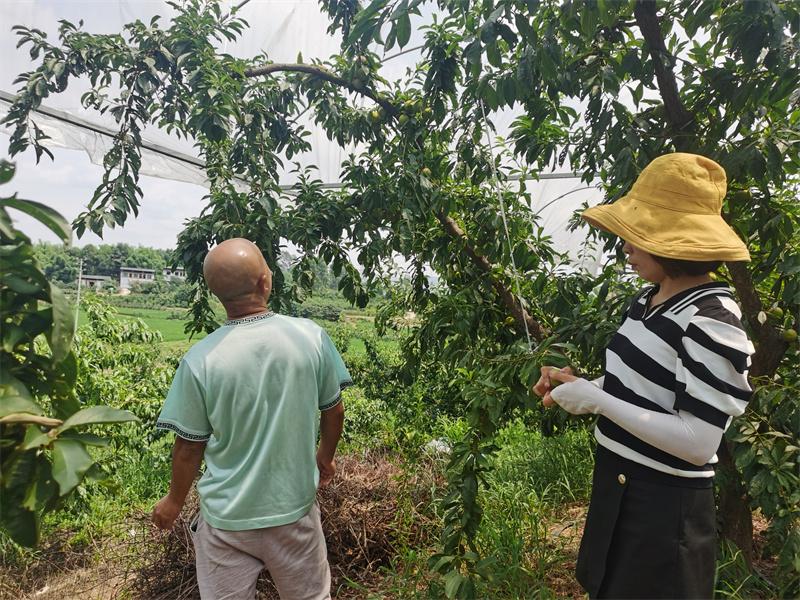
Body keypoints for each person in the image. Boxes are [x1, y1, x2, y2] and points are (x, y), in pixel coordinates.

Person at [532, 153, 755, 599]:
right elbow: (638, 388)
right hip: (618, 489)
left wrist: (598, 402)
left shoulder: (711, 319)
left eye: (639, 236)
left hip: (663, 511)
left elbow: (697, 443)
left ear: (673, 242)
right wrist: (582, 387)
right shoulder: (648, 299)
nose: (627, 247)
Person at [151, 238, 351, 600]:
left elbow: (188, 449)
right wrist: (324, 458)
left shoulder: (200, 360)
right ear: (265, 282)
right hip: (293, 512)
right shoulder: (311, 338)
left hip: (226, 522)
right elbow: (333, 410)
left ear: (216, 295)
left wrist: (173, 502)